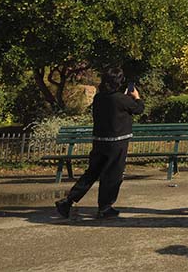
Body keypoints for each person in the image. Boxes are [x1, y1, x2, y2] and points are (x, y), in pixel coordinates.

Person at [55, 68, 144, 219]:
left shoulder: (99, 98)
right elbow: (139, 109)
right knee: (113, 175)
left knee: (91, 172)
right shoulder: (121, 99)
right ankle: (105, 207)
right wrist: (137, 97)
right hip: (117, 142)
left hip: (100, 141)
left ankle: (68, 200)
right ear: (119, 82)